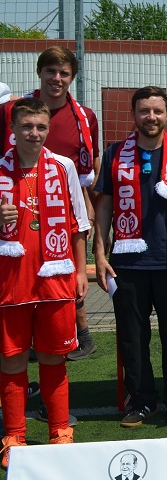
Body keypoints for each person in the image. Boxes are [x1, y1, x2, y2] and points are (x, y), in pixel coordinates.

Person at [92, 86, 167, 427]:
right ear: (133, 114)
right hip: (126, 262)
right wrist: (99, 250)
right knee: (132, 337)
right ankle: (141, 401)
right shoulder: (114, 154)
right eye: (144, 111)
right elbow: (104, 204)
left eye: (157, 111)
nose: (151, 117)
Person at [0, 97, 89, 467]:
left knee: (54, 357)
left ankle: (59, 431)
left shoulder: (64, 166)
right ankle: (14, 436)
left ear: (48, 129)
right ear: (13, 130)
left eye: (40, 127)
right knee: (12, 361)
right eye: (26, 126)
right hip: (10, 282)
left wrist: (82, 271)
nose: (33, 133)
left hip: (55, 279)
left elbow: (79, 223)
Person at [0, 47, 100, 362]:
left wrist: (86, 205)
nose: (57, 79)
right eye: (51, 71)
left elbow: (88, 167)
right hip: (14, 221)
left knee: (64, 288)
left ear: (72, 77)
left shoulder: (84, 117)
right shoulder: (12, 111)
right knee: (15, 314)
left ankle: (76, 338)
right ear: (39, 72)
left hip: (60, 215)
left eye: (64, 73)